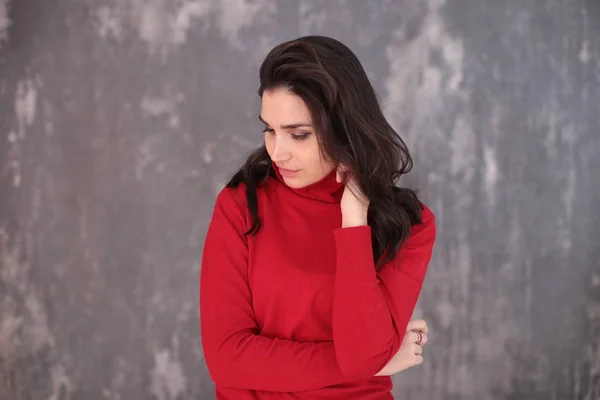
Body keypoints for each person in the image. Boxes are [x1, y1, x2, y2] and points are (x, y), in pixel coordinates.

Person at [199, 35, 436, 399]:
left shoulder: (406, 223)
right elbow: (226, 359)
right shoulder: (241, 205)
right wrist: (371, 362)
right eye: (269, 130)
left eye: (299, 135)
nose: (277, 153)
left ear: (343, 127)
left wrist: (354, 219)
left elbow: (365, 354)